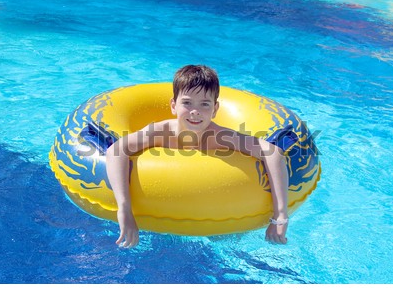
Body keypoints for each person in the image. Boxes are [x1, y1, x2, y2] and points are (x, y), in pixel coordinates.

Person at [106, 65, 289, 248]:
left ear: (215, 109)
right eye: (187, 103)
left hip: (215, 217)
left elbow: (273, 153)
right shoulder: (161, 132)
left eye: (204, 104)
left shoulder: (219, 136)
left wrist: (280, 216)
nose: (195, 111)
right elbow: (116, 150)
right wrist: (124, 209)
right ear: (173, 106)